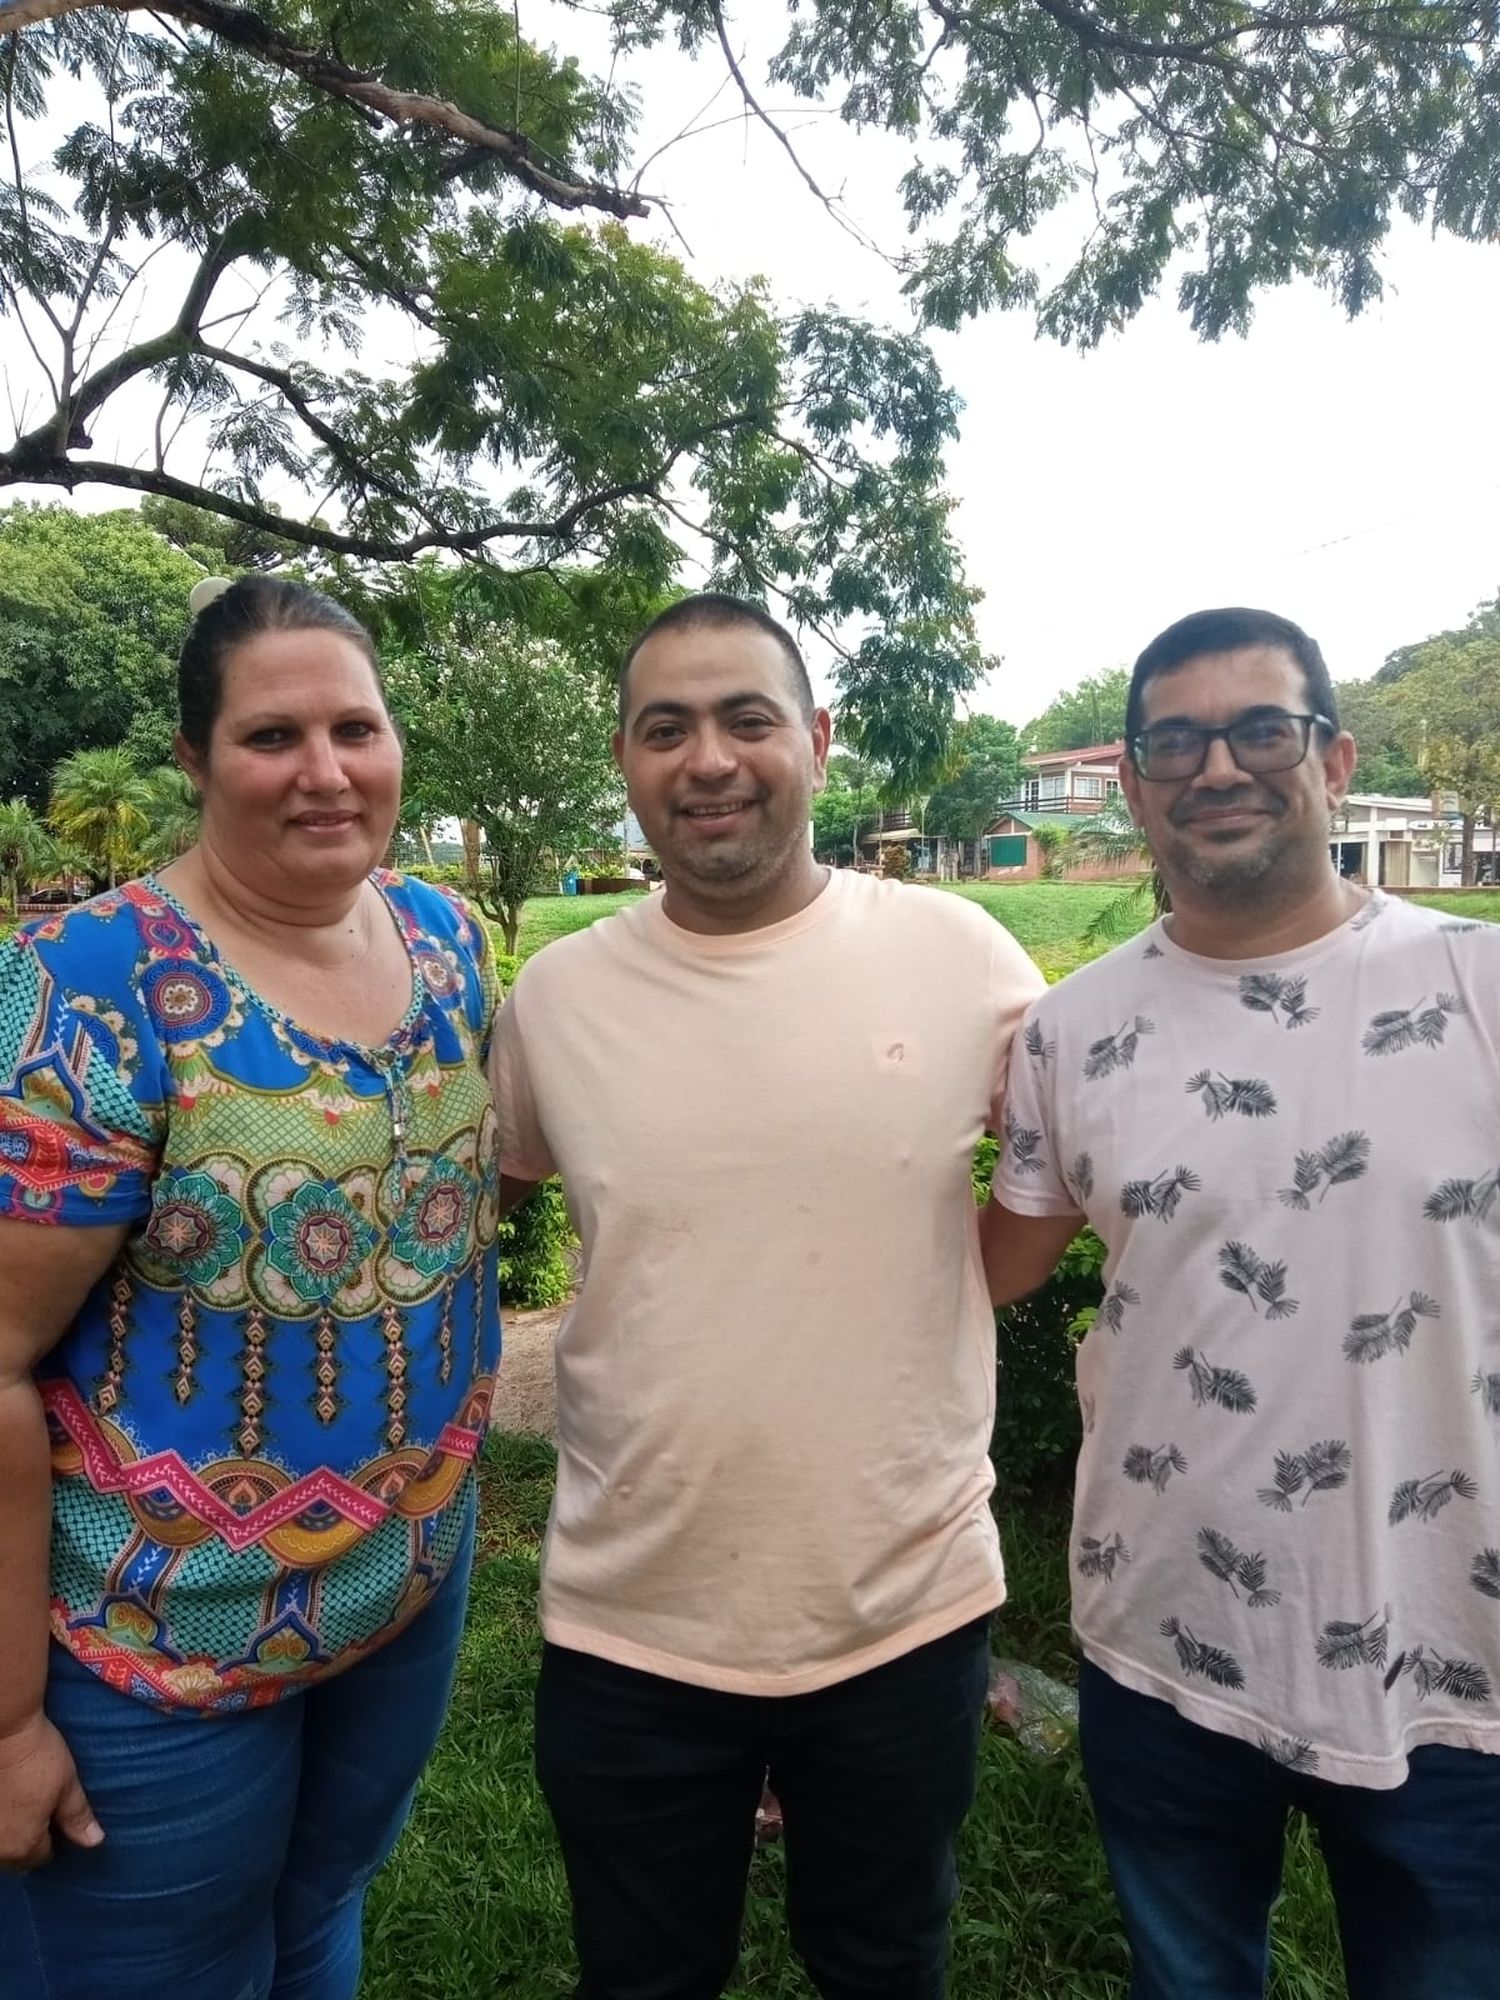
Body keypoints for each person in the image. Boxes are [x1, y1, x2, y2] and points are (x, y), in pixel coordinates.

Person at [488, 593, 1044, 2000]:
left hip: (900, 1602)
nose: (709, 759)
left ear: (817, 736)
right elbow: (483, 1201)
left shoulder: (963, 956)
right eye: (665, 728)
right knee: (643, 1975)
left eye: (747, 717)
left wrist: (938, 1311)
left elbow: (1052, 1192)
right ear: (624, 757)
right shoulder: (555, 999)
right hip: (630, 1612)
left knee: (883, 1965)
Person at [984, 607, 1500, 2000]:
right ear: (1140, 785)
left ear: (1332, 760)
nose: (1218, 767)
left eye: (1260, 729)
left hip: (1455, 1656)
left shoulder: (1479, 986)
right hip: (1161, 1642)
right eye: (1176, 741)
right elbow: (995, 1269)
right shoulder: (1071, 1028)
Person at [0, 576, 502, 1998]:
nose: (326, 771)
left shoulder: (445, 939)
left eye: (358, 726)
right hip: (152, 1645)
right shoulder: (83, 987)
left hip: (401, 1592)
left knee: (317, 1918)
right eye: (272, 736)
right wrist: (5, 1726)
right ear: (194, 760)